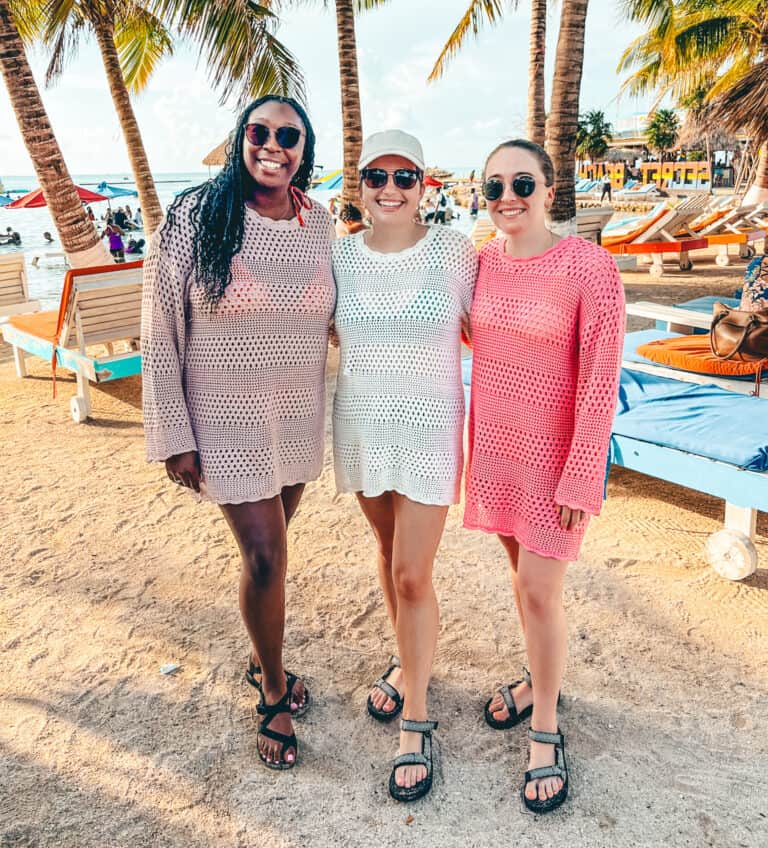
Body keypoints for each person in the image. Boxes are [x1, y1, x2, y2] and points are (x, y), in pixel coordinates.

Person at [141, 95, 335, 772]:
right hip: (224, 421)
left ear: (305, 151)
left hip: (296, 417)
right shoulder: (196, 216)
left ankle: (262, 661)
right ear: (240, 138)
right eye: (260, 132)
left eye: (289, 136)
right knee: (264, 558)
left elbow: (338, 313)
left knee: (273, 552)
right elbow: (161, 325)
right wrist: (174, 432)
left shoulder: (320, 221)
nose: (273, 144)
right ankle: (274, 690)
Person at [464, 138, 624, 814]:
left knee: (537, 591)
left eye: (521, 184)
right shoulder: (476, 265)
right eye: (494, 185)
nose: (507, 198)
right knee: (522, 581)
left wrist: (582, 474)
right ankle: (537, 679)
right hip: (497, 452)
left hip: (558, 458)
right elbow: (462, 331)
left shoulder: (590, 267)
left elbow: (600, 380)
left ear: (550, 190)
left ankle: (546, 728)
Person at [332, 130, 478, 803]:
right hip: (363, 423)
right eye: (376, 176)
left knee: (413, 573)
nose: (389, 189)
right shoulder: (339, 258)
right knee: (390, 552)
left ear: (426, 186)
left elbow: (492, 325)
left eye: (405, 177)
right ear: (359, 185)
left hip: (429, 429)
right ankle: (406, 659)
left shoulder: (454, 251)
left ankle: (415, 720)